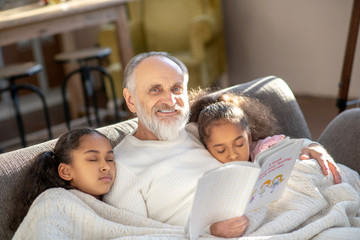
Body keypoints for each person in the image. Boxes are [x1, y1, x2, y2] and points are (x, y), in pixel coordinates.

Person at [104, 51, 342, 238]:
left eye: (177, 88)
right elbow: (138, 235)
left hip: (271, 215)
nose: (170, 100)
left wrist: (303, 147)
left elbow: (256, 148)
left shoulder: (197, 130)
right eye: (155, 90)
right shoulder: (123, 167)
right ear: (131, 100)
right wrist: (211, 231)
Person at [10, 128, 115, 232]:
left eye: (110, 159)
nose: (106, 166)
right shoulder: (53, 205)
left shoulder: (117, 198)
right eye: (93, 159)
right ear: (66, 171)